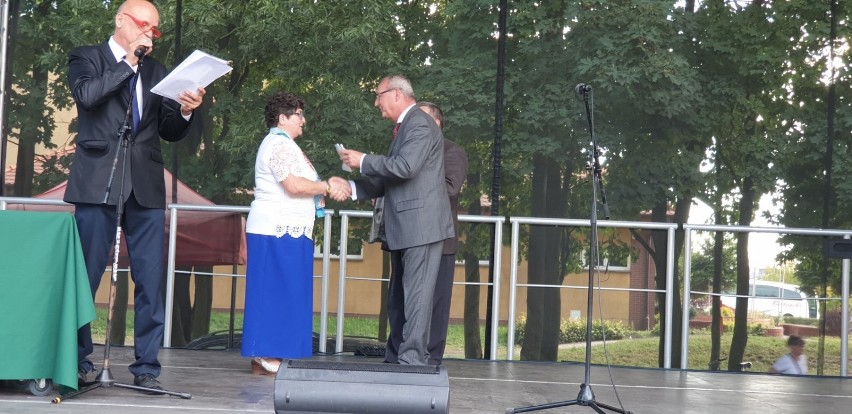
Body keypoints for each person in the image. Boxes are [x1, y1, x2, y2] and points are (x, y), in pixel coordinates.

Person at [66, 0, 206, 392]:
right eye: (145, 25)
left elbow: (169, 130)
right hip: (98, 181)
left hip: (145, 185)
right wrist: (127, 64)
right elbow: (88, 96)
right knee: (85, 277)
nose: (150, 34)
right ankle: (77, 360)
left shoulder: (159, 71)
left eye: (155, 30)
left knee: (150, 278)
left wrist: (185, 111)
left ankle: (147, 367)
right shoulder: (86, 58)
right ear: (121, 20)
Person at [337, 75, 454, 365]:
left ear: (398, 94)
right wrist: (350, 188)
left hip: (422, 227)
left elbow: (404, 167)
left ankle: (411, 364)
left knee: (415, 298)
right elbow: (391, 178)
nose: (376, 102)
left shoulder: (419, 124)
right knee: (401, 300)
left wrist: (363, 160)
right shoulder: (405, 127)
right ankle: (401, 360)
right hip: (408, 228)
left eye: (379, 95)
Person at [242, 91, 351, 375]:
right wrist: (327, 186)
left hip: (289, 230)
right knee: (273, 291)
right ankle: (264, 353)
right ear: (283, 118)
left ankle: (278, 351)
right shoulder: (277, 144)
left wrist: (324, 187)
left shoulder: (286, 145)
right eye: (299, 115)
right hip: (274, 230)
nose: (304, 120)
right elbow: (292, 185)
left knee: (289, 292)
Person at [417, 102, 468, 365]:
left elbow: (450, 188)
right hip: (411, 238)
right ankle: (404, 354)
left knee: (436, 303)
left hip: (440, 241)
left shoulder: (452, 152)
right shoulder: (411, 150)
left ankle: (432, 357)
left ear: (436, 123)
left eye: (421, 119)